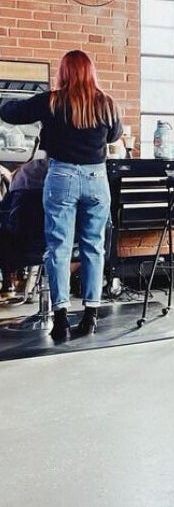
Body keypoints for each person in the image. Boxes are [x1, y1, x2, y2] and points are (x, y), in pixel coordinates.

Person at [0, 49, 122, 341]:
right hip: (96, 177)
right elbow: (114, 136)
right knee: (94, 246)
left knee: (59, 247)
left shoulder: (51, 100)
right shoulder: (106, 103)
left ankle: (61, 320)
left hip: (62, 177)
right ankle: (91, 316)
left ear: (64, 72)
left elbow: (11, 113)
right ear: (91, 72)